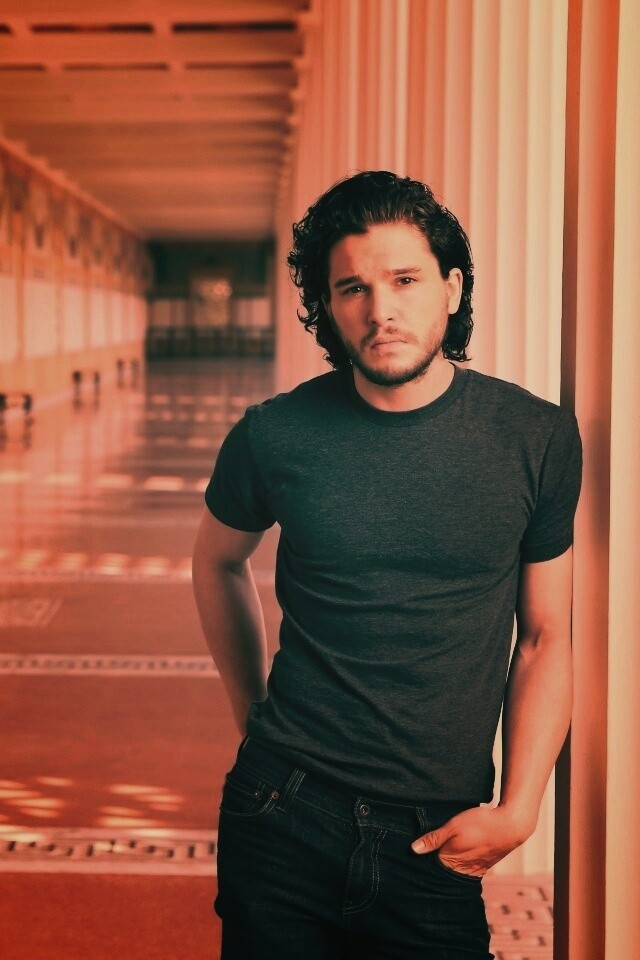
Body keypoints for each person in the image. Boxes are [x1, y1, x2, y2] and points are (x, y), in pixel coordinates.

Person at [192, 170, 582, 960]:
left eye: (405, 280)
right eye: (353, 289)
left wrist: (520, 807)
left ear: (451, 287)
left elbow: (545, 636)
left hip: (435, 836)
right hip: (283, 809)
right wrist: (253, 715)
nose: (381, 311)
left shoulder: (534, 438)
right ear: (328, 306)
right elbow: (216, 564)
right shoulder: (274, 435)